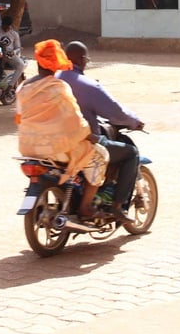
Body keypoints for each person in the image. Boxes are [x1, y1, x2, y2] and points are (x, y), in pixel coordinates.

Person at [15, 39, 109, 219]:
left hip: (28, 148)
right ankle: (86, 206)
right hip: (56, 148)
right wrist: (89, 135)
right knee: (101, 156)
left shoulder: (23, 87)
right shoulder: (59, 87)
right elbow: (74, 119)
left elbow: (20, 117)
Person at [58, 41, 145, 225]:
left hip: (54, 141)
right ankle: (117, 206)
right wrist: (134, 122)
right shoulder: (88, 86)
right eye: (86, 60)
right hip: (82, 141)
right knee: (131, 153)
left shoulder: (54, 79)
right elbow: (115, 111)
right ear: (81, 59)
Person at [0, 14, 25, 92]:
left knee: (21, 65)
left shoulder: (14, 34)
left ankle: (10, 86)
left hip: (9, 55)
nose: (6, 29)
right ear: (2, 24)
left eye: (8, 27)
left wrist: (14, 52)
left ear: (10, 26)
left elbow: (18, 47)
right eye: (5, 27)